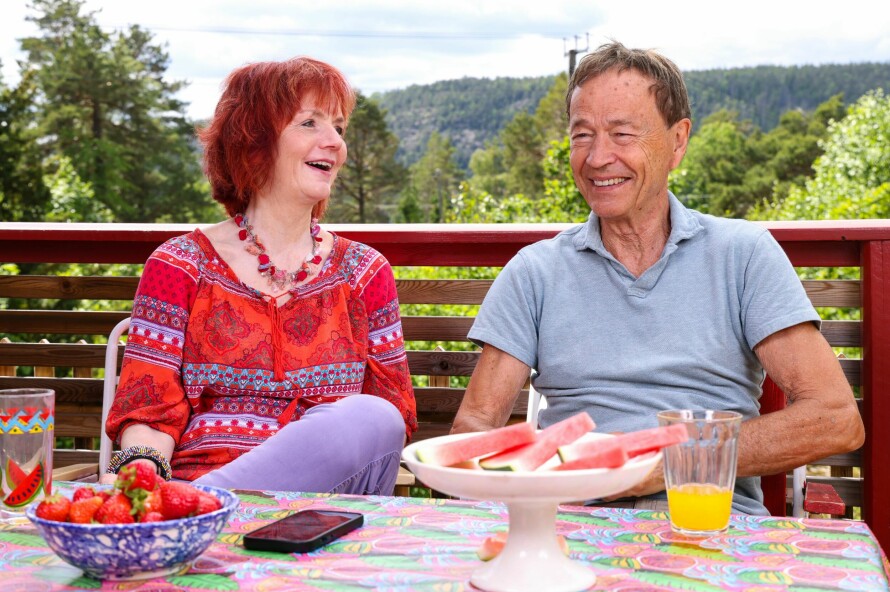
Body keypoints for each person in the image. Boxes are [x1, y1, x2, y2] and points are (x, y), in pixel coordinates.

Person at [451, 41, 865, 514]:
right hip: (568, 529)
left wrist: (663, 462)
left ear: (678, 141)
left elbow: (835, 419)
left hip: (709, 528)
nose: (597, 157)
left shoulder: (742, 255)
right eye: (581, 135)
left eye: (622, 134)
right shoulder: (534, 273)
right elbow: (474, 430)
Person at [103, 57, 417, 495]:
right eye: (310, 123)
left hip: (322, 504)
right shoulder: (178, 264)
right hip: (192, 479)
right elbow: (149, 411)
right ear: (252, 141)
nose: (335, 143)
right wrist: (139, 476)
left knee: (374, 417)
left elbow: (391, 419)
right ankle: (201, 506)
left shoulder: (364, 272)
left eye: (339, 129)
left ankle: (205, 508)